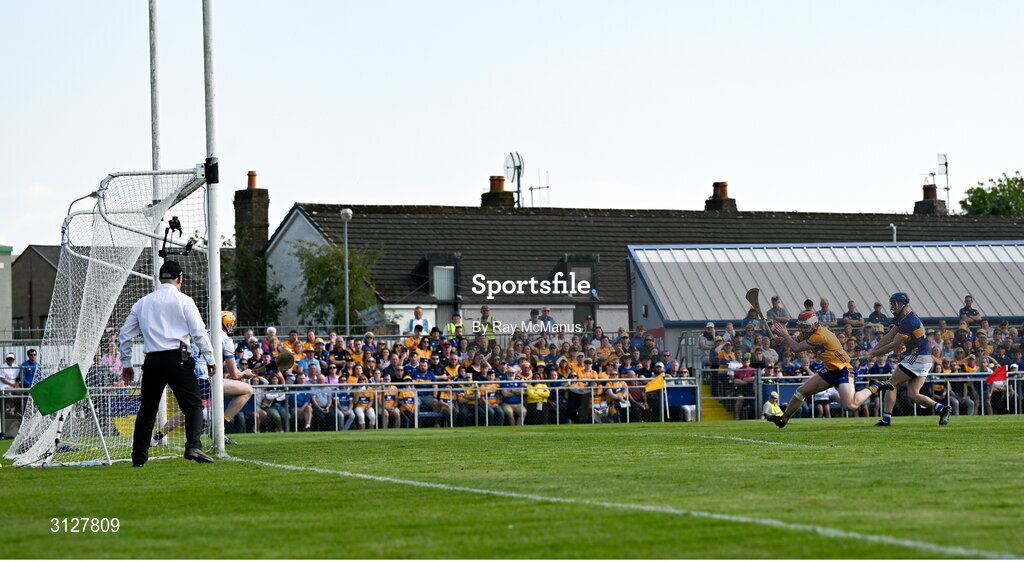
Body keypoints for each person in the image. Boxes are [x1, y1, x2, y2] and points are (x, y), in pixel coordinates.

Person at [117, 261, 216, 466]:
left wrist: (127, 363)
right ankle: (193, 446)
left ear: (160, 278)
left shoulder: (143, 302)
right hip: (178, 359)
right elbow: (198, 332)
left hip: (152, 360)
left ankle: (138, 459)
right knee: (193, 406)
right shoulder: (184, 300)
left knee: (147, 411)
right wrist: (211, 359)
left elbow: (125, 335)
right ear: (180, 279)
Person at [151, 311, 255, 447]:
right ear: (226, 323)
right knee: (247, 390)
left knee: (186, 412)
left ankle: (155, 439)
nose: (232, 327)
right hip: (205, 381)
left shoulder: (202, 333)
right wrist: (245, 373)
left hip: (188, 378)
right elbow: (235, 374)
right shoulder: (225, 340)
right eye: (231, 324)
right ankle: (219, 428)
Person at [850, 292, 951, 426]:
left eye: (893, 304)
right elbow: (888, 336)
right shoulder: (902, 318)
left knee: (891, 384)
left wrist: (873, 354)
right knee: (913, 395)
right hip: (923, 359)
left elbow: (894, 344)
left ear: (902, 304)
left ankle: (886, 420)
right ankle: (943, 409)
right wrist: (872, 351)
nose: (891, 307)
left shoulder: (910, 321)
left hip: (917, 358)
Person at [765, 311, 858, 428]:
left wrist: (785, 334)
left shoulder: (819, 335)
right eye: (802, 326)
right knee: (801, 392)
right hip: (830, 369)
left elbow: (796, 347)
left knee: (849, 405)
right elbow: (796, 339)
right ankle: (783, 419)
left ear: (814, 324)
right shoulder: (809, 332)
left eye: (805, 326)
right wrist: (780, 339)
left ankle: (874, 387)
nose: (803, 329)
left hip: (844, 369)